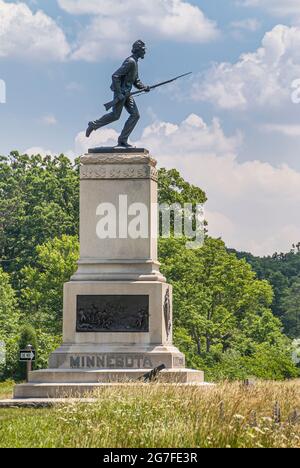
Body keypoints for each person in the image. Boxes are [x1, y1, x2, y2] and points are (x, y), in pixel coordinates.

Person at [85, 40, 150, 148]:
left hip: (127, 94)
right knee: (115, 115)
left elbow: (135, 80)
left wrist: (144, 87)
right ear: (138, 50)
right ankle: (93, 124)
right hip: (120, 93)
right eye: (143, 50)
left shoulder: (135, 63)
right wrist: (119, 93)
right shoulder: (130, 62)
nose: (145, 52)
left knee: (135, 115)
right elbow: (115, 76)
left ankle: (122, 140)